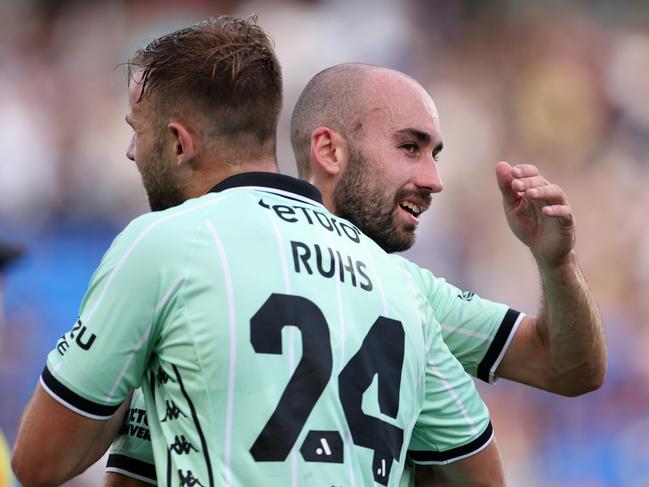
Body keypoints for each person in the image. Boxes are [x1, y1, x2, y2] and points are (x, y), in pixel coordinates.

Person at [11, 17, 505, 487]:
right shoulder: (400, 283)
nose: (130, 151)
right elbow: (482, 472)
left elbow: (38, 464)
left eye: (137, 130)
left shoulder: (163, 243)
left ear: (179, 143)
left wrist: (135, 371)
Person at [104, 62, 605, 487]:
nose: (434, 179)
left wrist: (556, 263)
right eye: (411, 147)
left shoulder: (406, 290)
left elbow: (571, 368)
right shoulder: (406, 298)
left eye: (435, 154)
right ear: (329, 151)